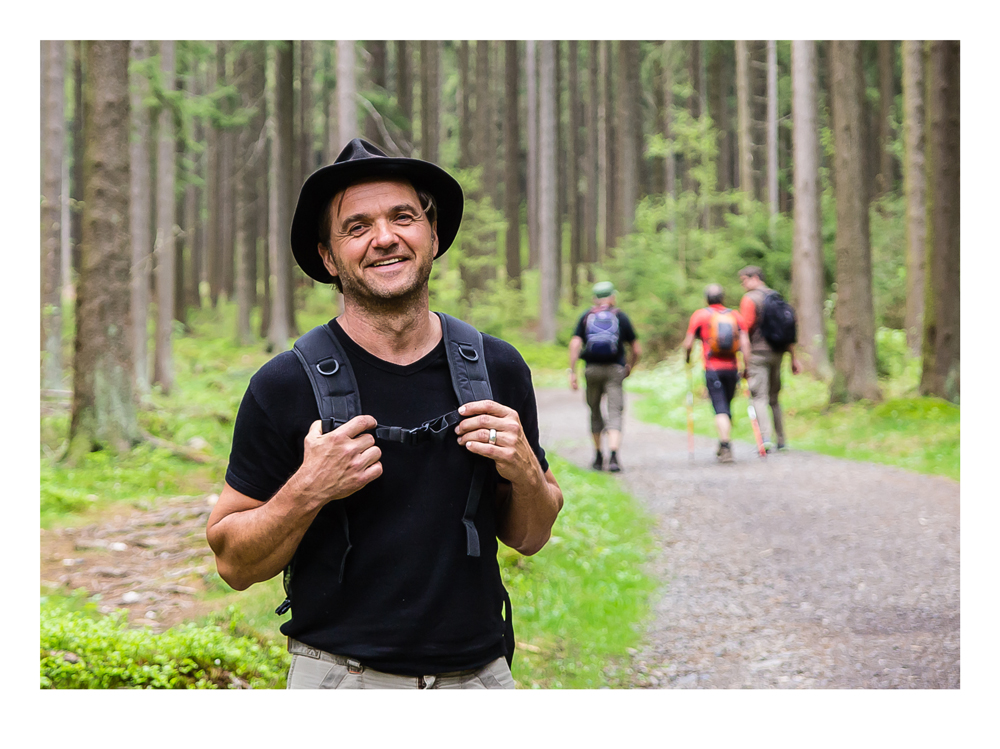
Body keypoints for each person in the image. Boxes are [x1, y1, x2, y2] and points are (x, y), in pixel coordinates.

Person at [206, 138, 563, 689]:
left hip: (480, 678)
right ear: (328, 257)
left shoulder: (497, 368)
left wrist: (525, 472)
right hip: (341, 681)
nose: (385, 238)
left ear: (433, 233)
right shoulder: (283, 385)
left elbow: (531, 535)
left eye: (404, 217)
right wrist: (309, 487)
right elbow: (233, 563)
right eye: (357, 227)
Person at [568, 281, 640, 472]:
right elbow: (636, 348)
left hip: (591, 369)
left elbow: (575, 345)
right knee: (615, 411)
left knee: (595, 411)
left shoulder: (586, 316)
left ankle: (598, 457)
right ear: (613, 297)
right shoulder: (620, 316)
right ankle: (614, 456)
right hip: (615, 369)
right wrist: (630, 365)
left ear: (594, 298)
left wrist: (572, 372)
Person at [682, 284, 751, 463]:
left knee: (720, 408)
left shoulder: (701, 315)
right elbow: (745, 344)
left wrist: (687, 359)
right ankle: (723, 443)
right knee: (727, 406)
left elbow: (688, 343)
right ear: (723, 298)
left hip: (712, 368)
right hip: (733, 368)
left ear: (706, 299)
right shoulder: (735, 315)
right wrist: (746, 368)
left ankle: (726, 446)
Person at [738, 265, 802, 451]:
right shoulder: (775, 297)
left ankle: (765, 438)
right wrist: (793, 358)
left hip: (758, 354)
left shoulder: (749, 300)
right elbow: (789, 329)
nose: (743, 285)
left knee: (759, 396)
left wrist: (744, 361)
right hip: (778, 352)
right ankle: (781, 439)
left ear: (755, 277)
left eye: (744, 280)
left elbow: (745, 331)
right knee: (774, 398)